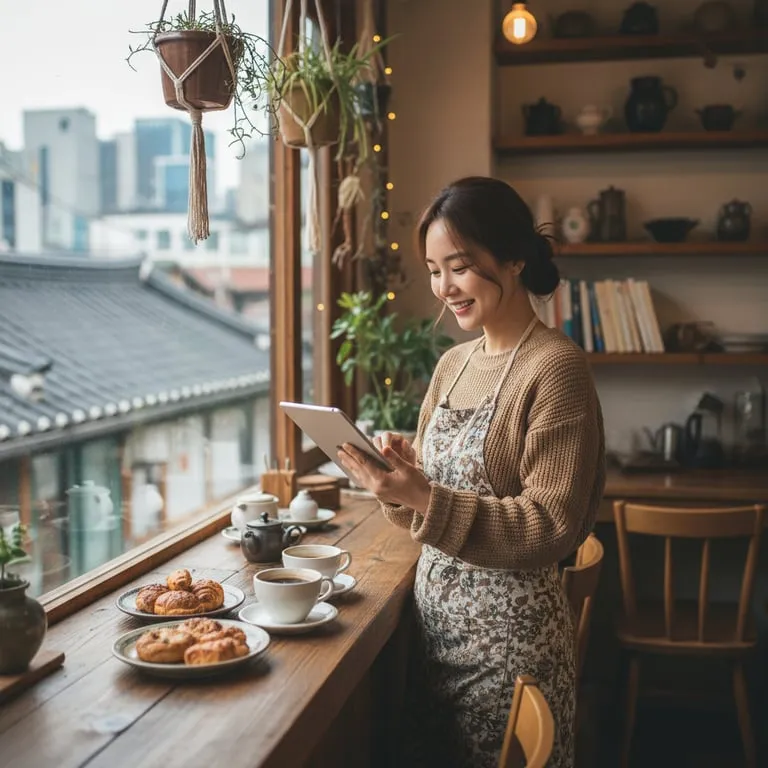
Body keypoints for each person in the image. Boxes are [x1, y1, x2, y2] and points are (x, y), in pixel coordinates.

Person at [337, 176, 605, 768]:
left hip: (510, 650)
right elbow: (427, 504)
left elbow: (550, 527)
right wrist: (399, 476)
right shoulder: (453, 364)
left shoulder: (556, 368)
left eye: (458, 267)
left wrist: (424, 496)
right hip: (436, 637)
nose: (444, 288)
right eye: (435, 271)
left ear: (514, 258)